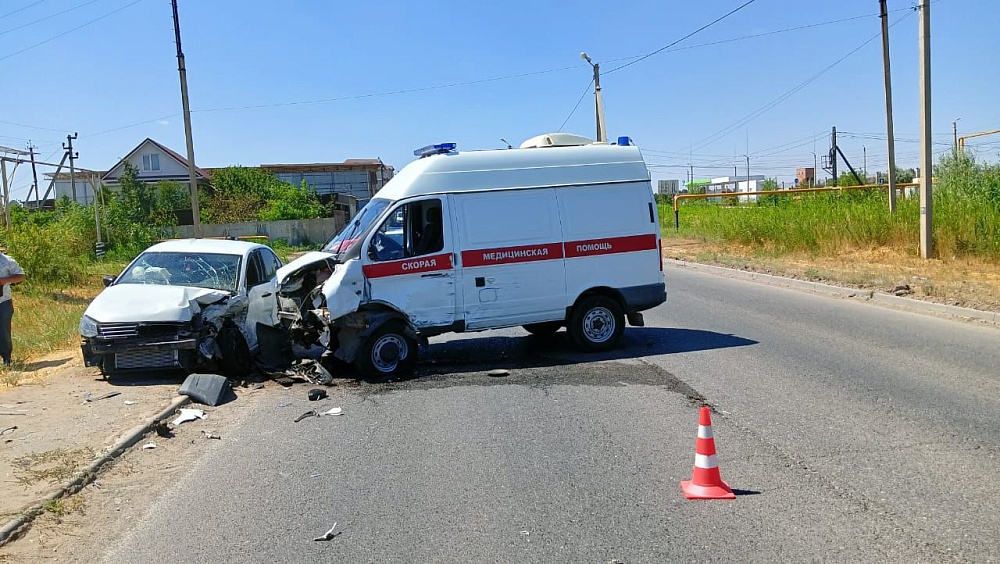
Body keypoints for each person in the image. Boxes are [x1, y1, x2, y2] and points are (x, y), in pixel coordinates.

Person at [0, 250, 25, 366]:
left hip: (3, 301)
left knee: (4, 330)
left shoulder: (7, 260)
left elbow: (20, 275)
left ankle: (6, 359)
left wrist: (4, 280)